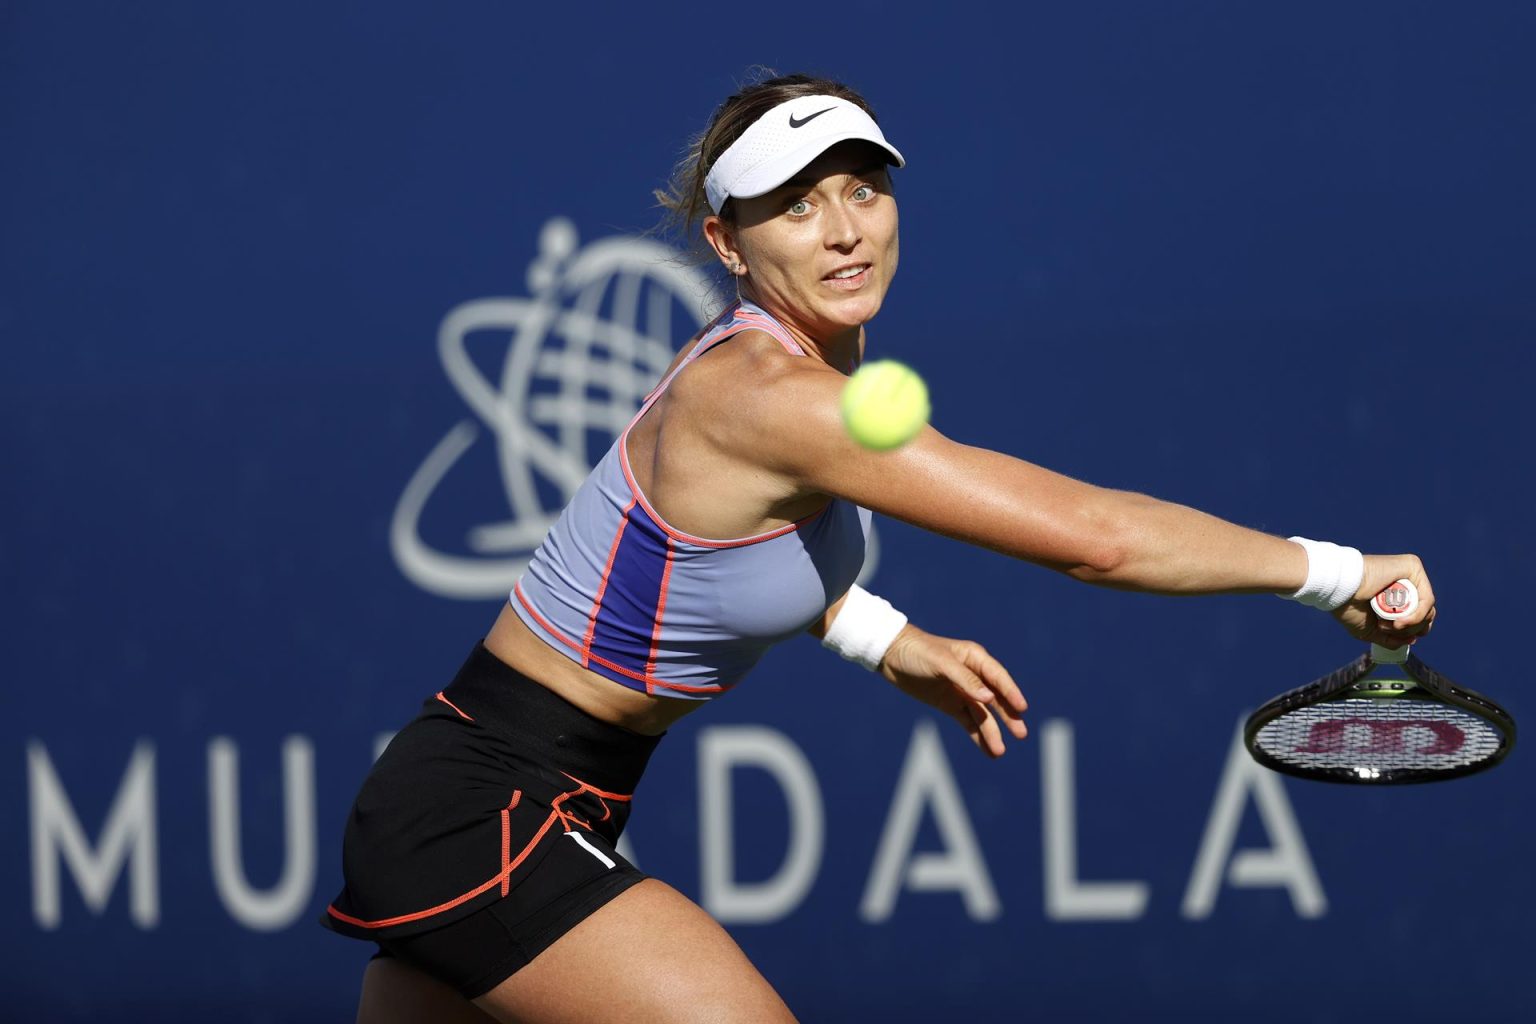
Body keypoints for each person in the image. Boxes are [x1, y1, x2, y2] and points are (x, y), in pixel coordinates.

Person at [322, 72, 1435, 1023]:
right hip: (488, 816)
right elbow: (1095, 540)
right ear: (726, 241)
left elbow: (704, 555)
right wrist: (1337, 573)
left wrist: (884, 637)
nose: (846, 228)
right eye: (797, 206)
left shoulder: (771, 369)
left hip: (509, 795)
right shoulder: (770, 397)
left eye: (864, 189)